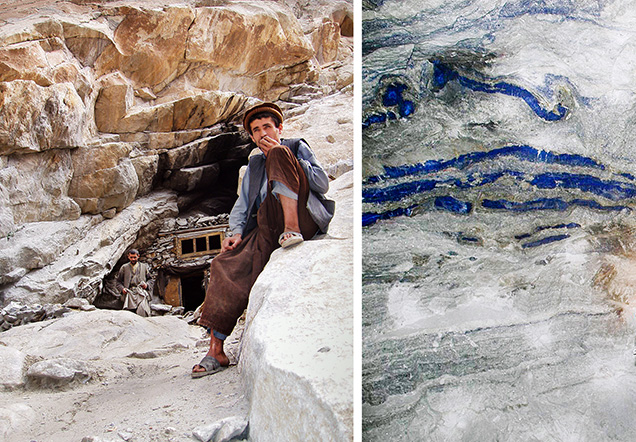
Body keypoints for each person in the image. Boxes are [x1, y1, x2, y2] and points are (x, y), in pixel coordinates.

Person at [191, 102, 334, 378]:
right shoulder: (255, 163)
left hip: (301, 216)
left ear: (279, 128)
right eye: (256, 130)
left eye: (267, 126)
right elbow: (243, 204)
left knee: (278, 155)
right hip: (267, 224)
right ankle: (215, 350)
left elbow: (321, 183)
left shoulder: (294, 146)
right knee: (225, 263)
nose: (261, 133)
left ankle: (291, 229)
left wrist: (286, 157)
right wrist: (234, 233)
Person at [115, 249, 152, 317]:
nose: (133, 259)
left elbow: (150, 280)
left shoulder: (144, 267)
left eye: (135, 257)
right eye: (131, 257)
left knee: (143, 312)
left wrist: (147, 285)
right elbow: (118, 282)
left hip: (141, 293)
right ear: (128, 257)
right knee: (129, 315)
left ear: (138, 256)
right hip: (129, 293)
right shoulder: (124, 267)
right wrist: (122, 289)